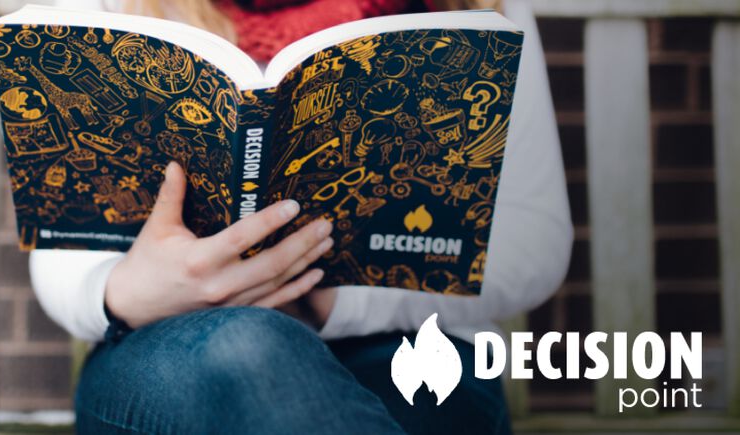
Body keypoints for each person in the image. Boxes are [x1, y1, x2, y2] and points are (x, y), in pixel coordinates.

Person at [31, 0, 573, 433]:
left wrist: (327, 294)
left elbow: (535, 241)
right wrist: (128, 292)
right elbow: (60, 253)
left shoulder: (473, 6)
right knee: (250, 352)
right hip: (173, 347)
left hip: (415, 349)